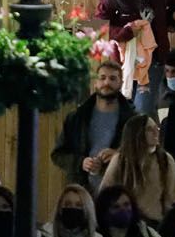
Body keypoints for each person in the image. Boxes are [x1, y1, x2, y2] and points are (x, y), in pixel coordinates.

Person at [52, 59, 134, 192]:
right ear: (95, 82)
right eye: (102, 78)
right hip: (82, 191)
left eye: (112, 78)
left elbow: (144, 156)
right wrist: (81, 163)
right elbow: (58, 155)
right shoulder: (77, 118)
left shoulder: (132, 120)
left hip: (119, 192)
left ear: (121, 83)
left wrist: (118, 156)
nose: (107, 83)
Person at [99, 114, 175, 223]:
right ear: (137, 133)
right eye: (149, 129)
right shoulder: (121, 160)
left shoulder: (165, 160)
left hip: (154, 223)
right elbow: (106, 194)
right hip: (125, 221)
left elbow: (173, 198)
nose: (155, 132)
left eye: (156, 128)